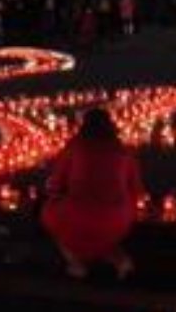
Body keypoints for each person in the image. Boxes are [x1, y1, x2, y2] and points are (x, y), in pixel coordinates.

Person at [42, 108, 144, 279]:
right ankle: (119, 261)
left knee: (49, 215)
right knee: (102, 233)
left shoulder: (75, 147)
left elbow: (55, 184)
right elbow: (137, 190)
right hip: (117, 217)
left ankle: (76, 263)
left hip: (78, 213)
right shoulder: (124, 151)